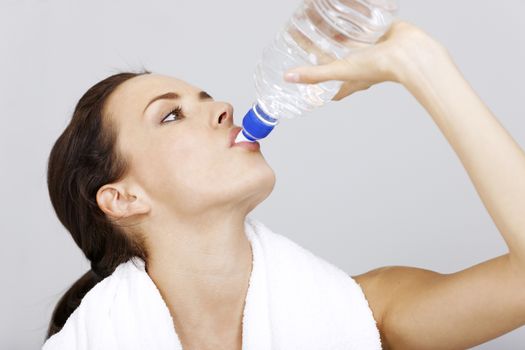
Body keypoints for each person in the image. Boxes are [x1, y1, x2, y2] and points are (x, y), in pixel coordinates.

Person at [44, 20, 525, 349]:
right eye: (171, 115)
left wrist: (422, 64)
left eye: (207, 97)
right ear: (123, 198)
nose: (224, 107)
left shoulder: (366, 313)